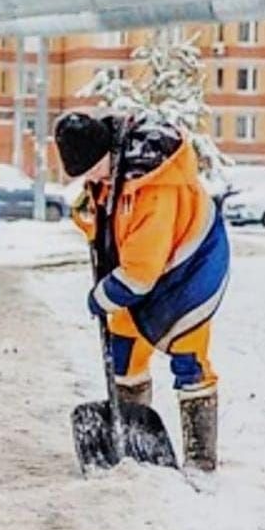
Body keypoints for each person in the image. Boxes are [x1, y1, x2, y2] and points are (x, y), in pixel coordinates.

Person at [55, 109, 230, 471]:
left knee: (189, 360)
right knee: (125, 354)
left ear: (107, 155)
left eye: (90, 170)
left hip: (189, 269)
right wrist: (93, 221)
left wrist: (101, 297)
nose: (89, 180)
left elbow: (139, 272)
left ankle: (201, 460)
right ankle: (133, 437)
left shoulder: (154, 189)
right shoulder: (114, 173)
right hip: (147, 273)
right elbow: (119, 230)